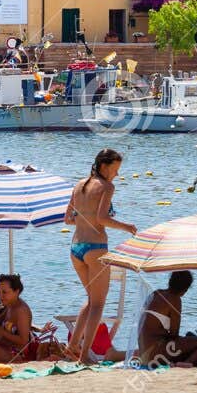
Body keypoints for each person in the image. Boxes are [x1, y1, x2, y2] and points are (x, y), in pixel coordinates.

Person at [65, 148, 139, 364]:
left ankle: (72, 347)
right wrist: (127, 227)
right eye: (115, 170)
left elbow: (68, 219)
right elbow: (102, 217)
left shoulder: (79, 185)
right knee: (98, 304)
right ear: (104, 167)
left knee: (90, 301)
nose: (116, 175)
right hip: (95, 247)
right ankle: (84, 354)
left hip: (76, 248)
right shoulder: (107, 186)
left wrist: (85, 218)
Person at [138, 271, 197, 366]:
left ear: (170, 281)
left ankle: (180, 360)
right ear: (185, 289)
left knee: (190, 340)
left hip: (144, 352)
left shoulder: (156, 293)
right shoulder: (174, 299)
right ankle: (186, 363)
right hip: (155, 352)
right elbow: (174, 334)